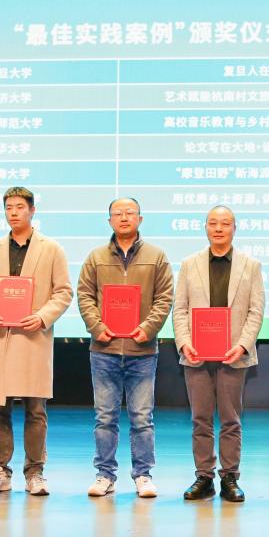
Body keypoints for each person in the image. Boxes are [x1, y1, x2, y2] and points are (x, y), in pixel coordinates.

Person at [0, 187, 73, 497]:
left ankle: (35, 472)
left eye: (19, 207)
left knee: (35, 409)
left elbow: (63, 292)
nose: (13, 212)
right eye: (9, 207)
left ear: (32, 210)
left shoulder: (51, 249)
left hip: (32, 338)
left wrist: (42, 316)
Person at [76, 198, 174, 499]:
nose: (123, 217)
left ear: (140, 219)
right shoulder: (95, 257)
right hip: (103, 349)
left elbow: (164, 297)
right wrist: (97, 327)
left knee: (142, 417)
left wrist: (148, 328)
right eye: (117, 213)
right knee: (104, 417)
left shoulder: (156, 256)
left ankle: (143, 475)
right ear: (109, 221)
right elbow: (84, 295)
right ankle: (105, 475)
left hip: (141, 350)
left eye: (129, 213)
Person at [173, 205, 264, 502]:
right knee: (200, 419)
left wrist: (243, 345)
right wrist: (184, 342)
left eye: (225, 223)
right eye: (213, 223)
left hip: (233, 354)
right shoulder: (189, 264)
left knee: (230, 420)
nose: (219, 228)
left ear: (235, 228)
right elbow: (180, 309)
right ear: (205, 227)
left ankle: (230, 477)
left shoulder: (251, 265)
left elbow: (256, 311)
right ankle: (204, 476)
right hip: (196, 354)